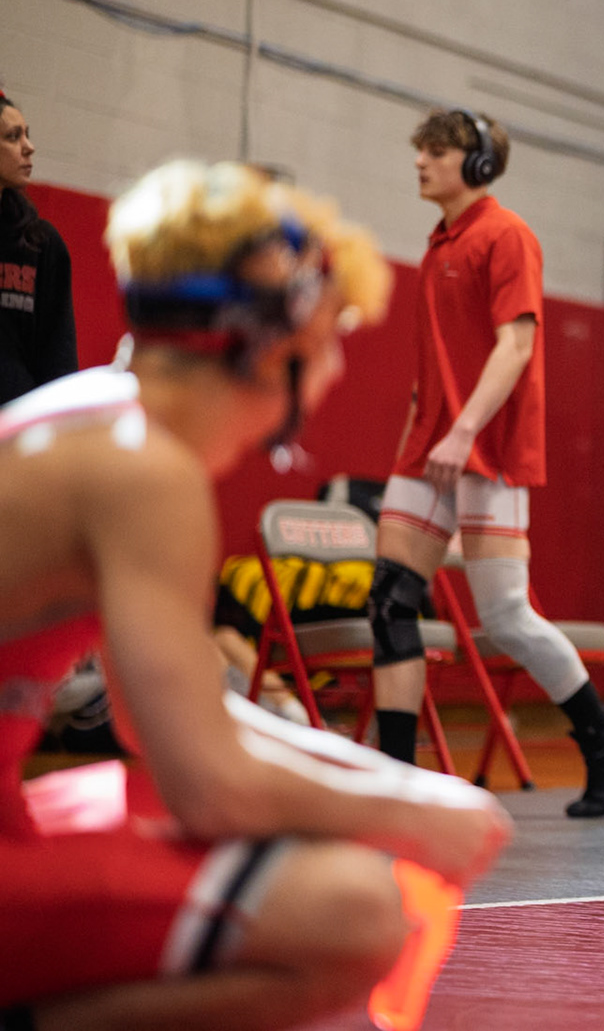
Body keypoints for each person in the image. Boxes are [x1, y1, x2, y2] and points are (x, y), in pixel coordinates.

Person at [0, 159, 511, 1028]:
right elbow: (207, 785)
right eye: (333, 335)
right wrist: (413, 813)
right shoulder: (142, 472)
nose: (336, 366)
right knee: (354, 911)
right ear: (278, 345)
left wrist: (408, 790)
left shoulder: (99, 422)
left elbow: (173, 725)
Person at [363, 108, 604, 819]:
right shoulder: (439, 244)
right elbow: (436, 365)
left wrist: (462, 432)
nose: (420, 161)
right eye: (420, 149)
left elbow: (515, 346)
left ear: (478, 163)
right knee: (390, 598)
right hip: (431, 446)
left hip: (485, 447)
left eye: (436, 150)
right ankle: (396, 778)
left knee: (507, 616)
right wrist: (417, 439)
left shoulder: (507, 234)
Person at [0, 91, 78, 405]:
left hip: (16, 423)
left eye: (27, 135)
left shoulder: (41, 243)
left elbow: (59, 360)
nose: (29, 147)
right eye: (13, 137)